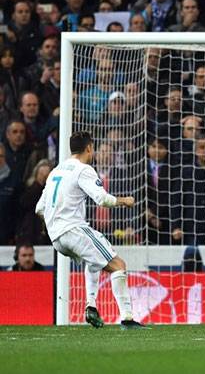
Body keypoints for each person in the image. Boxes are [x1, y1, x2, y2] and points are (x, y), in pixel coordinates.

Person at [34, 131, 144, 329]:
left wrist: (56, 221)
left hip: (56, 237)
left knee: (94, 262)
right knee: (118, 264)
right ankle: (127, 318)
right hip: (73, 229)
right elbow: (102, 199)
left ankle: (91, 305)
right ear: (89, 148)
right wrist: (125, 201)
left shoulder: (55, 171)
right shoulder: (84, 169)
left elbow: (39, 209)